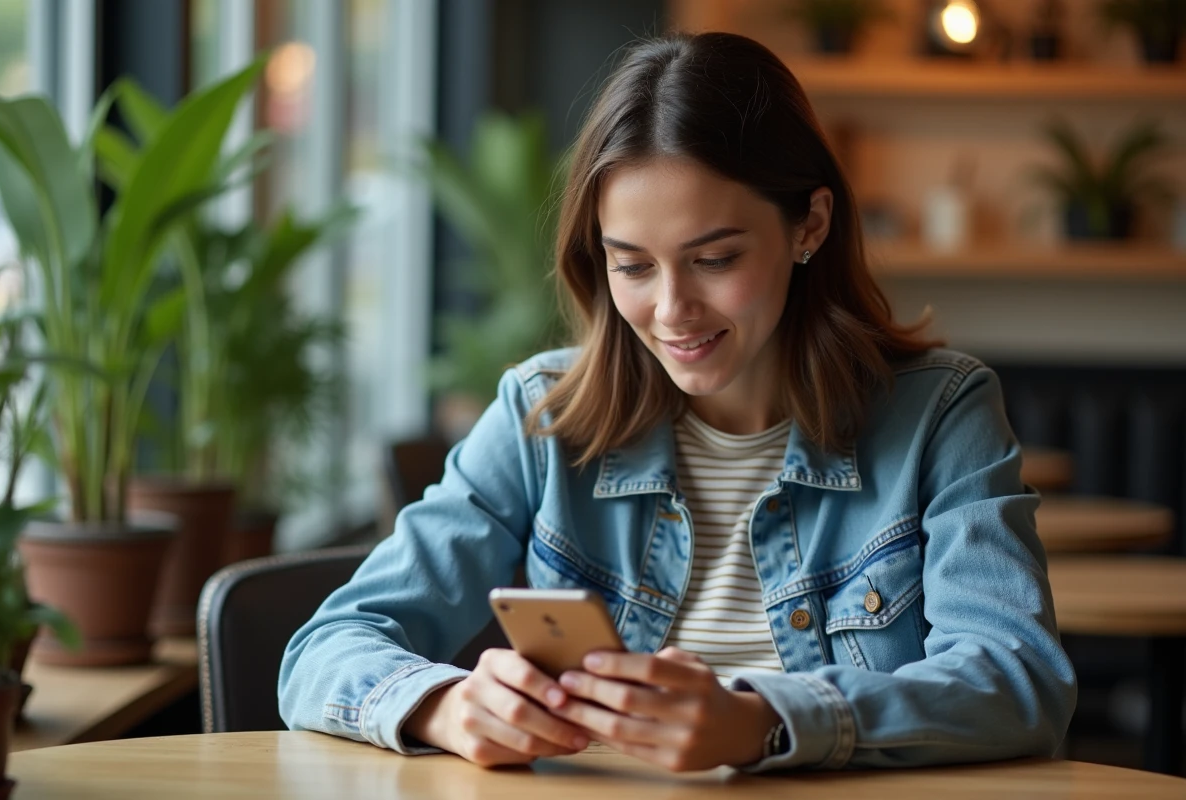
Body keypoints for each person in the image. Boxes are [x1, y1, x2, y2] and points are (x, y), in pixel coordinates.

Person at [279, 31, 1076, 773]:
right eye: (632, 266)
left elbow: (1018, 681)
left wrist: (765, 718)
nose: (671, 310)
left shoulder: (942, 412)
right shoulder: (543, 417)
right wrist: (446, 707)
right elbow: (328, 646)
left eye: (715, 258)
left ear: (811, 225)